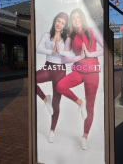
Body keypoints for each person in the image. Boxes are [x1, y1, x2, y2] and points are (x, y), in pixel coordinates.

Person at [56, 8, 104, 150]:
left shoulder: (92, 31)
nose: (76, 20)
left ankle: (84, 136)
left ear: (82, 17)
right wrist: (80, 57)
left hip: (93, 72)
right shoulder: (70, 37)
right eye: (73, 18)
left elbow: (104, 49)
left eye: (78, 17)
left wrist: (89, 54)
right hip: (79, 70)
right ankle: (79, 102)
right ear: (71, 21)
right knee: (60, 86)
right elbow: (64, 59)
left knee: (91, 106)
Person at [36, 12, 74, 143]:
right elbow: (38, 48)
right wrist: (50, 51)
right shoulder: (47, 35)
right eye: (58, 21)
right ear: (54, 21)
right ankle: (46, 99)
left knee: (56, 104)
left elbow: (70, 53)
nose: (59, 24)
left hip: (60, 71)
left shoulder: (67, 38)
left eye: (63, 23)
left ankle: (52, 131)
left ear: (65, 26)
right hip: (48, 68)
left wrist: (59, 51)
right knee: (31, 79)